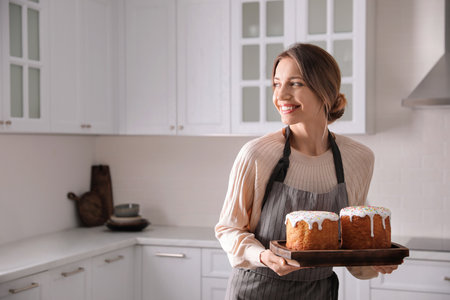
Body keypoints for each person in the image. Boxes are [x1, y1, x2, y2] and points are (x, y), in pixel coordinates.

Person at [215, 43, 399, 299]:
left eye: (295, 83)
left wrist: (375, 263)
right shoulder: (257, 154)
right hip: (257, 291)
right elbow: (228, 229)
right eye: (277, 84)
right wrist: (264, 256)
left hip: (319, 292)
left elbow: (348, 247)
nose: (281, 96)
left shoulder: (358, 159)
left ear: (325, 89)